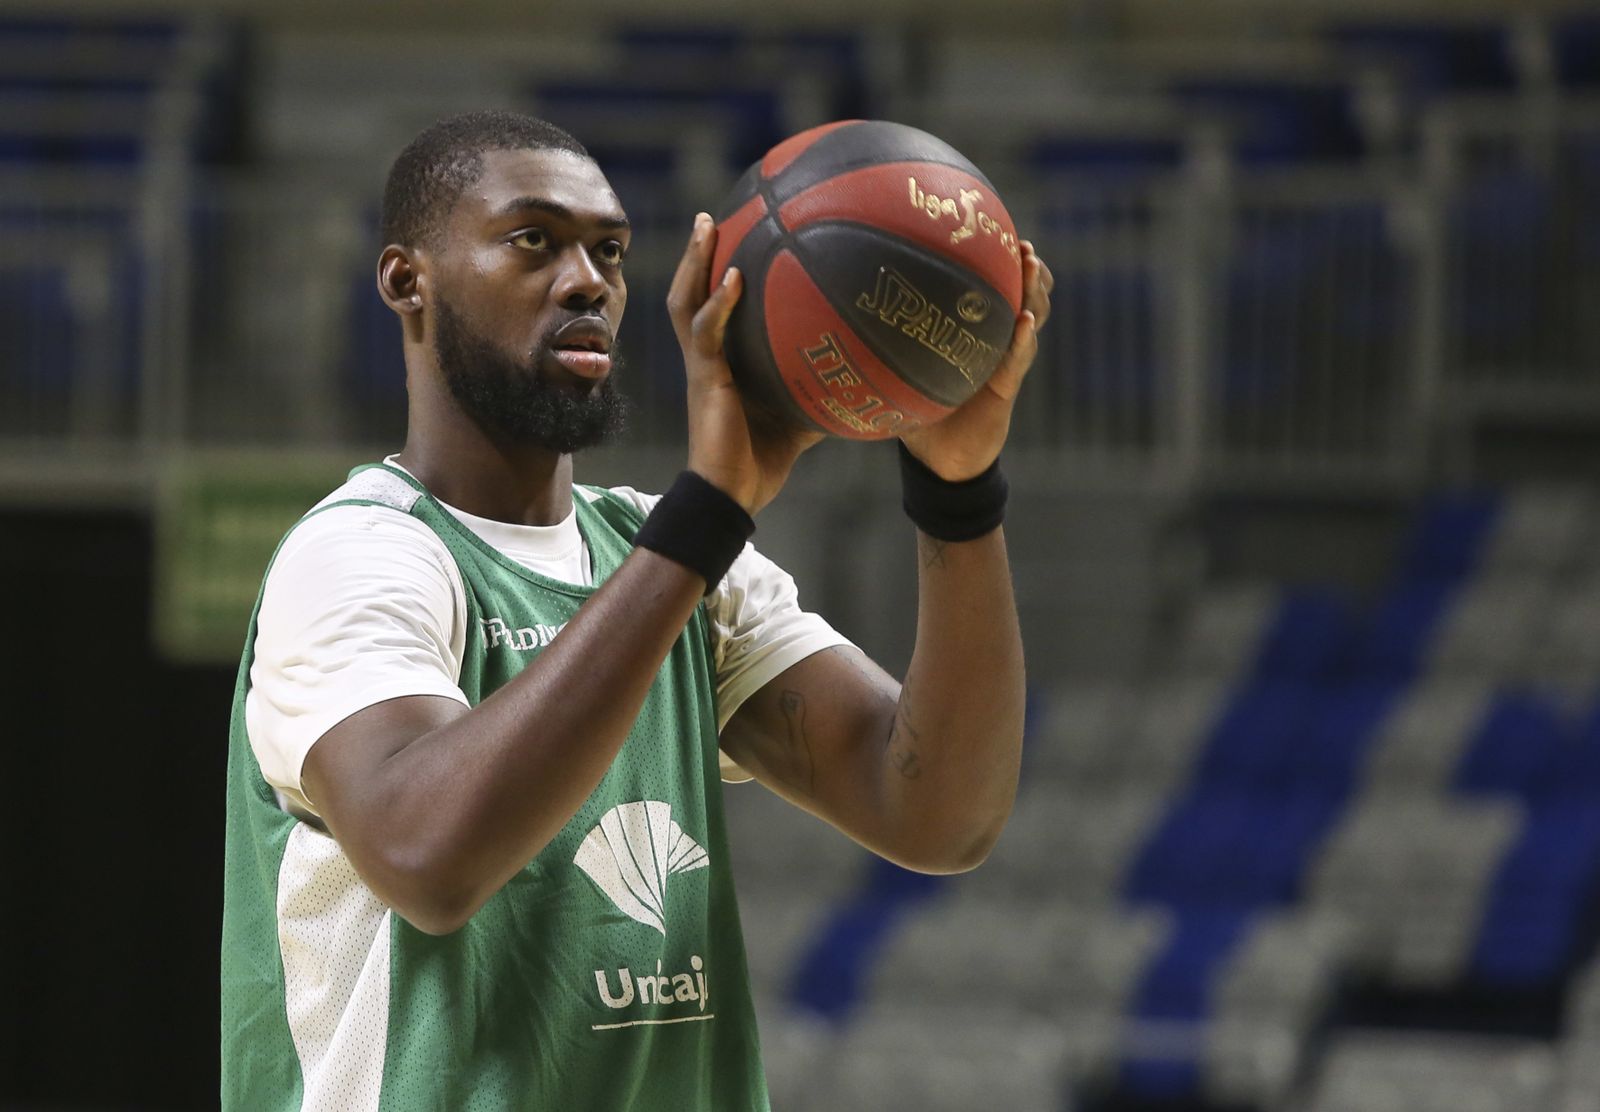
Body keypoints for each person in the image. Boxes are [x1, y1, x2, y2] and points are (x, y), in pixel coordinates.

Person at [221, 109, 1053, 1110]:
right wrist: (707, 519)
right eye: (533, 240)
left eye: (608, 249)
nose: (587, 282)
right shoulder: (362, 551)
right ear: (409, 282)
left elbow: (937, 814)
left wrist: (958, 492)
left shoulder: (670, 558)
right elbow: (426, 856)